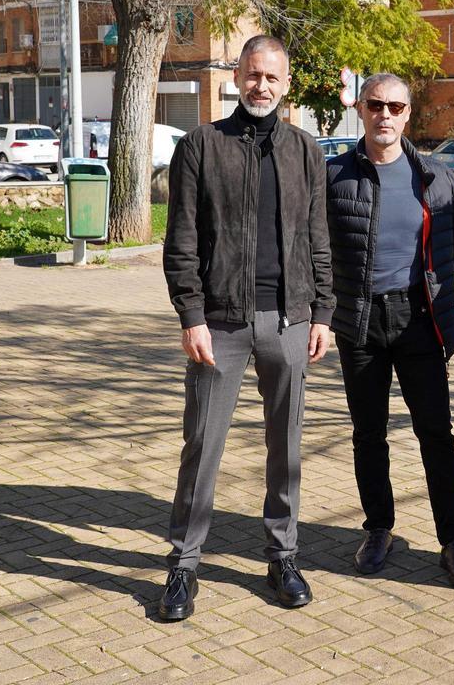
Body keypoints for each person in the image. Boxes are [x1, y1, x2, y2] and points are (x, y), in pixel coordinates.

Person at [160, 35, 334, 619]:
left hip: (290, 321)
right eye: (253, 74)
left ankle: (283, 555)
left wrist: (324, 314)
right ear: (237, 76)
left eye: (273, 77)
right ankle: (184, 565)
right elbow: (181, 240)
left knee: (285, 447)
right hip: (220, 324)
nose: (262, 85)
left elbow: (318, 240)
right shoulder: (201, 146)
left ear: (287, 85)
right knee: (203, 444)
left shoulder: (306, 151)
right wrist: (191, 317)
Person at [324, 73, 454, 589]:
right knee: (369, 434)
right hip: (360, 322)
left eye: (395, 106)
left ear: (408, 114)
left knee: (436, 434)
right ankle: (378, 528)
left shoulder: (437, 178)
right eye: (375, 105)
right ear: (362, 110)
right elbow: (317, 251)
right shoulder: (336, 176)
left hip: (420, 320)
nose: (384, 115)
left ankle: (453, 540)